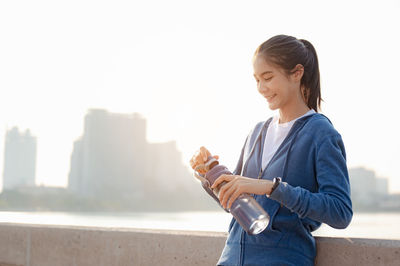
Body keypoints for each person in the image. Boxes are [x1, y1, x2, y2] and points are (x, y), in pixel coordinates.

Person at [189, 34, 353, 266]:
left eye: (268, 78)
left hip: (283, 259)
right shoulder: (258, 131)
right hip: (230, 258)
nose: (261, 88)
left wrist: (272, 188)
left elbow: (340, 211)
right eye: (256, 79)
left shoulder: (321, 133)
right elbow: (236, 204)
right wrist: (209, 175)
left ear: (297, 73)